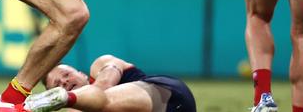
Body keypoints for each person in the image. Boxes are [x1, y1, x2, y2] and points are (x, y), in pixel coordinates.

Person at [21, 54, 196, 112]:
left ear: (81, 73)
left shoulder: (100, 64)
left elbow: (102, 87)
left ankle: (37, 104)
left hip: (167, 95)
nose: (64, 82)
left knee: (102, 98)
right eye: (57, 85)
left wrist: (70, 100)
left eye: (66, 75)